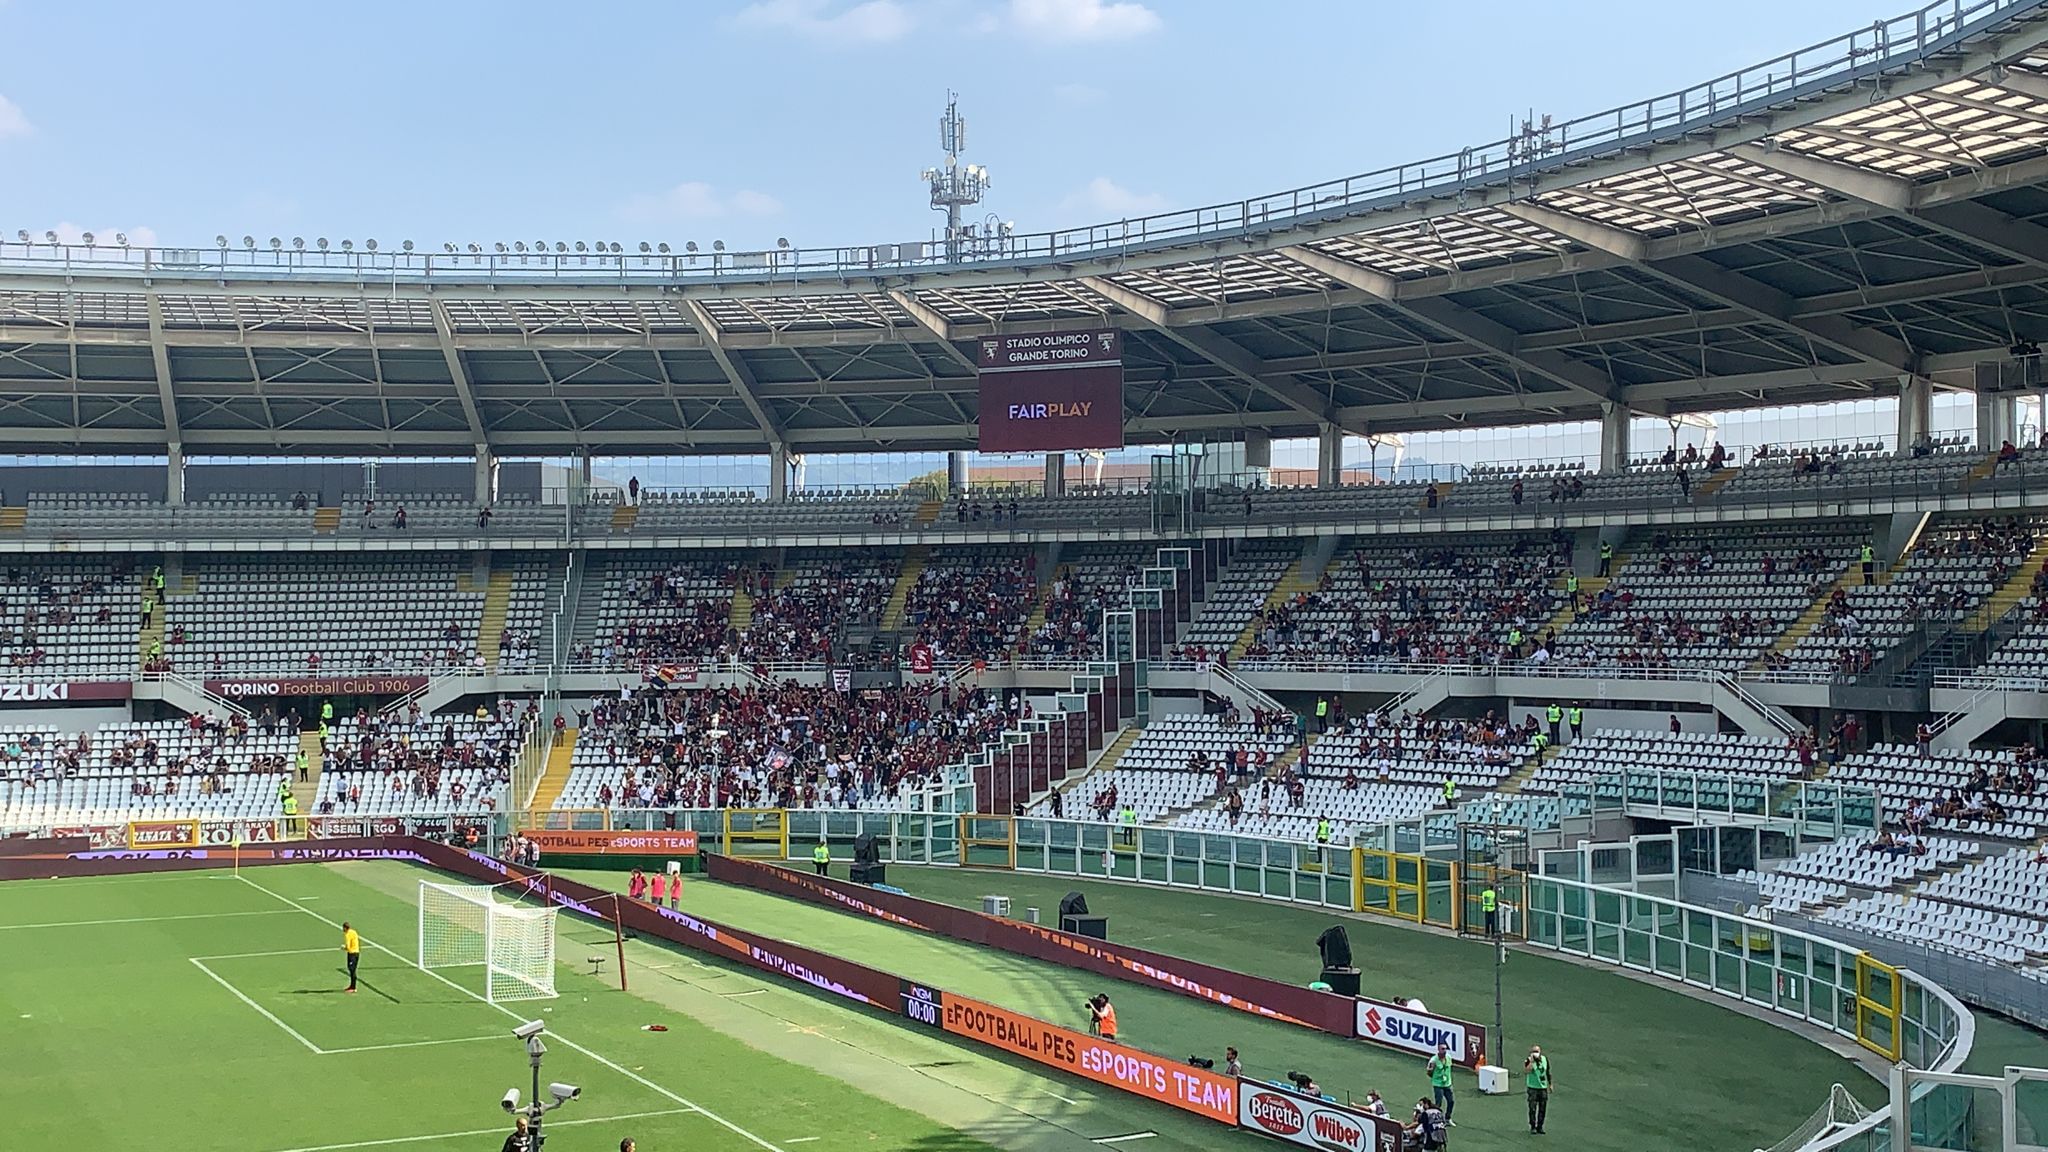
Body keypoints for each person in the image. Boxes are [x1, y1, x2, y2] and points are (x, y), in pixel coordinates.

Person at [1426, 1041, 1457, 1126]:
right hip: (1438, 1085)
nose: (1444, 1051)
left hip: (1447, 1084)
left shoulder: (1448, 1057)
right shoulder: (1433, 1060)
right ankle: (1436, 1119)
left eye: (1445, 1049)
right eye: (1443, 1049)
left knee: (1451, 1101)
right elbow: (1429, 1072)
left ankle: (1447, 1118)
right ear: (1438, 1050)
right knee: (1438, 1103)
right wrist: (1435, 1078)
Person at [1524, 1044, 1552, 1134]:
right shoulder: (1528, 1060)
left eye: (1537, 1051)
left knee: (1542, 1108)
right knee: (1532, 1108)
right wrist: (1532, 1062)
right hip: (1533, 1088)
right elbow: (1527, 1071)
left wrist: (1550, 1084)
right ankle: (1533, 1126)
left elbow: (1548, 1072)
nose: (1535, 1053)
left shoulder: (1544, 1059)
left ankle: (1540, 1126)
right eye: (1534, 1051)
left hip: (1542, 1088)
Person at [341, 920, 361, 993]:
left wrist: (343, 947)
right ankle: (352, 986)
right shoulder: (354, 932)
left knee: (352, 970)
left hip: (352, 954)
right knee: (351, 969)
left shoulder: (347, 935)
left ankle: (353, 987)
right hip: (356, 952)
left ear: (345, 928)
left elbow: (348, 947)